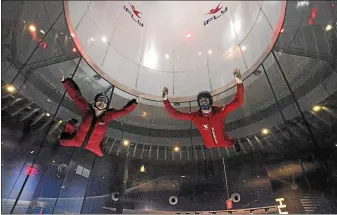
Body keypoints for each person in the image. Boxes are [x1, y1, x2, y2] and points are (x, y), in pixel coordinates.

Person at [58, 69, 139, 157]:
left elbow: (124, 111)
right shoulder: (87, 109)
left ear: (106, 105)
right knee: (63, 141)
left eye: (104, 101)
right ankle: (70, 126)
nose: (101, 102)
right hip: (77, 140)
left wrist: (135, 102)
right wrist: (65, 81)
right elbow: (76, 96)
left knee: (100, 153)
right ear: (95, 102)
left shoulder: (109, 116)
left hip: (94, 146)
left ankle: (70, 125)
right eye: (99, 100)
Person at [162, 68, 244, 152]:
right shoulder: (195, 116)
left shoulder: (220, 112)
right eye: (201, 101)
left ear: (210, 101)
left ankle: (235, 141)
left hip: (223, 141)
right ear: (198, 104)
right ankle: (232, 142)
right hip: (208, 144)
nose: (204, 103)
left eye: (206, 100)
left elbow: (238, 102)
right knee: (210, 146)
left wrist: (239, 83)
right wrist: (165, 101)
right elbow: (176, 115)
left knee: (230, 143)